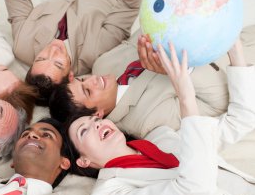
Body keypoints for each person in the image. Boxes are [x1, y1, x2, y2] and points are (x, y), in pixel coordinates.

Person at [67, 40, 255, 195]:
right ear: (83, 161)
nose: (96, 125)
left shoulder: (161, 137)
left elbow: (238, 121)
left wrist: (234, 49)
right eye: (84, 131)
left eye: (96, 120)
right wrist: (185, 96)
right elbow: (195, 188)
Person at [50, 25, 255, 138]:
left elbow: (143, 33)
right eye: (87, 91)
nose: (93, 80)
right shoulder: (144, 122)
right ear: (97, 115)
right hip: (244, 62)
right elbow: (220, 100)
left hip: (234, 31)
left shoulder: (103, 64)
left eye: (82, 79)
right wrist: (176, 70)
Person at [0, 0, 147, 105]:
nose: (53, 50)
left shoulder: (23, 45)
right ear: (70, 76)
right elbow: (130, 3)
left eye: (41, 58)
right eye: (58, 63)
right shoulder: (98, 51)